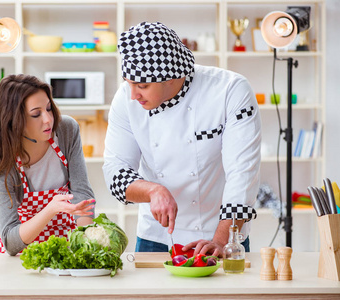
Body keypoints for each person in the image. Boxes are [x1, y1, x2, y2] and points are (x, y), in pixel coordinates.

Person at [103, 22, 261, 256]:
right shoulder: (126, 99)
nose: (133, 94)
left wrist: (221, 241)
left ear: (171, 77)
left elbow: (243, 175)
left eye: (143, 86)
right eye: (129, 83)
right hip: (155, 236)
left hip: (221, 231)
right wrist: (153, 191)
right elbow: (115, 172)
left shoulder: (230, 90)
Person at [0, 74, 95, 255]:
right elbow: (10, 241)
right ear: (14, 121)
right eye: (36, 114)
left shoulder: (66, 131)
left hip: (68, 249)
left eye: (49, 108)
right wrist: (51, 209)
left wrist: (86, 243)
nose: (48, 119)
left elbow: (82, 193)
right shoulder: (4, 163)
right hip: (24, 257)